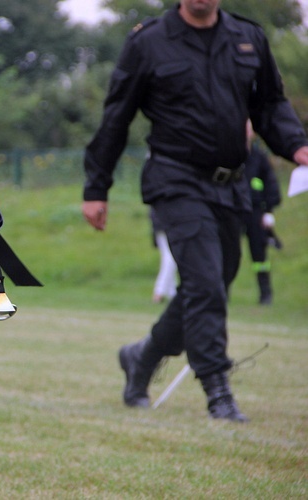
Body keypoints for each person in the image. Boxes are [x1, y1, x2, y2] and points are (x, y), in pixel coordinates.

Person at [82, 0, 308, 422]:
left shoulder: (248, 38)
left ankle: (142, 358)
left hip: (231, 184)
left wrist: (297, 146)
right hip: (175, 179)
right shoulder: (149, 42)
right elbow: (117, 115)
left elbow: (270, 105)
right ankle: (217, 388)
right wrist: (97, 187)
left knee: (212, 283)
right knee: (205, 283)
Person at [243, 121, 282, 305]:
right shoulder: (228, 157)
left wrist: (268, 211)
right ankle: (220, 293)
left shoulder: (259, 158)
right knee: (226, 252)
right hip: (232, 210)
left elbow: (271, 185)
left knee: (259, 254)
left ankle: (265, 293)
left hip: (255, 211)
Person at [149, 206, 178, 304]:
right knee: (171, 257)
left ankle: (172, 293)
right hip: (167, 224)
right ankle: (159, 292)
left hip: (161, 223)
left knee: (168, 256)